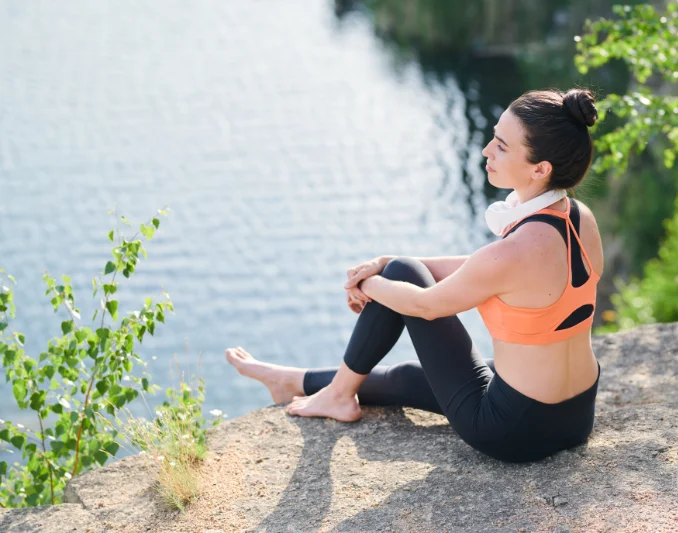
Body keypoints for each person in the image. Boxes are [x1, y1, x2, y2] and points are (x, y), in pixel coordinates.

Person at [225, 88, 604, 463]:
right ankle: (292, 380)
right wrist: (386, 261)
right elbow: (484, 269)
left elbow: (425, 306)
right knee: (407, 376)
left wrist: (371, 282)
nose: (487, 150)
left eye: (502, 146)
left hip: (512, 430)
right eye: (493, 137)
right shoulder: (579, 219)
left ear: (540, 169)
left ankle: (339, 395)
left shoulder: (512, 253)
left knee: (402, 273)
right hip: (575, 416)